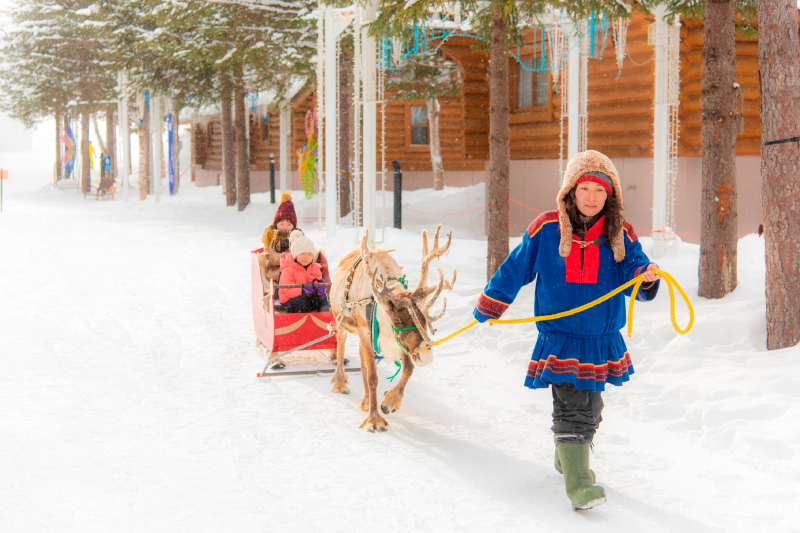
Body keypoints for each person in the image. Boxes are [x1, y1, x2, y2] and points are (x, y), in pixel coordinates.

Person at [473, 150, 661, 511]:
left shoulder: (620, 233)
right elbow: (516, 268)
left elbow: (634, 271)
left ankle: (567, 453)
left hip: (601, 338)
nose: (591, 197)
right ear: (570, 192)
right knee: (573, 407)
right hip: (561, 337)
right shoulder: (546, 229)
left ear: (611, 196)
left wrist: (646, 276)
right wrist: (491, 303)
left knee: (592, 407)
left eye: (599, 191)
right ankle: (579, 482)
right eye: (584, 188)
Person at [261, 191, 331, 286]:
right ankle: (286, 291)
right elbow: (272, 258)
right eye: (281, 224)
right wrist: (290, 258)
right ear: (276, 224)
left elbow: (304, 249)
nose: (285, 227)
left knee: (312, 269)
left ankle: (314, 289)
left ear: (293, 226)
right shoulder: (270, 237)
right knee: (288, 273)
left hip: (298, 267)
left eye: (289, 224)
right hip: (277, 270)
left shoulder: (297, 235)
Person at [279, 235, 330, 313]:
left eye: (310, 254)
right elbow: (288, 292)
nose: (306, 257)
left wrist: (321, 289)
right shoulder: (288, 270)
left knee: (322, 298)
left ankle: (325, 318)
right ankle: (304, 321)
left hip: (308, 298)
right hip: (289, 301)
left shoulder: (315, 267)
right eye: (303, 253)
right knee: (302, 301)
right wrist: (303, 289)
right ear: (295, 254)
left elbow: (318, 283)